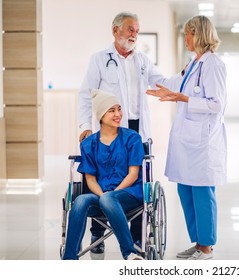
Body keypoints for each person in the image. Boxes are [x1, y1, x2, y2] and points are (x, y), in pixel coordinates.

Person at [78, 11, 179, 253]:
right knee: (102, 177)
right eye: (130, 29)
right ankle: (97, 234)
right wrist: (85, 126)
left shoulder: (142, 59)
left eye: (136, 30)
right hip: (110, 131)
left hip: (136, 131)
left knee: (138, 184)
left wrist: (183, 78)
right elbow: (85, 94)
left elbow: (161, 81)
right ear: (116, 31)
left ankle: (135, 238)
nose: (135, 34)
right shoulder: (99, 59)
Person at [146, 15, 227, 260]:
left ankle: (207, 247)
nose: (185, 39)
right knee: (186, 190)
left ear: (199, 34)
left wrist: (183, 98)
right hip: (188, 141)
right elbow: (176, 81)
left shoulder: (213, 64)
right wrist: (153, 78)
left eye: (188, 34)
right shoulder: (194, 63)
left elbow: (216, 104)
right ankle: (198, 241)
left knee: (202, 193)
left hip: (203, 142)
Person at [62, 89, 145, 260]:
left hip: (129, 194)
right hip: (100, 195)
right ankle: (69, 258)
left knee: (108, 199)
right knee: (81, 200)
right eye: (112, 110)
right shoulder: (89, 143)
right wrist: (103, 195)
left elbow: (133, 174)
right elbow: (90, 179)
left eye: (119, 109)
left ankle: (129, 252)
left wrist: (111, 195)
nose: (118, 114)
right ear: (100, 116)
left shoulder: (132, 138)